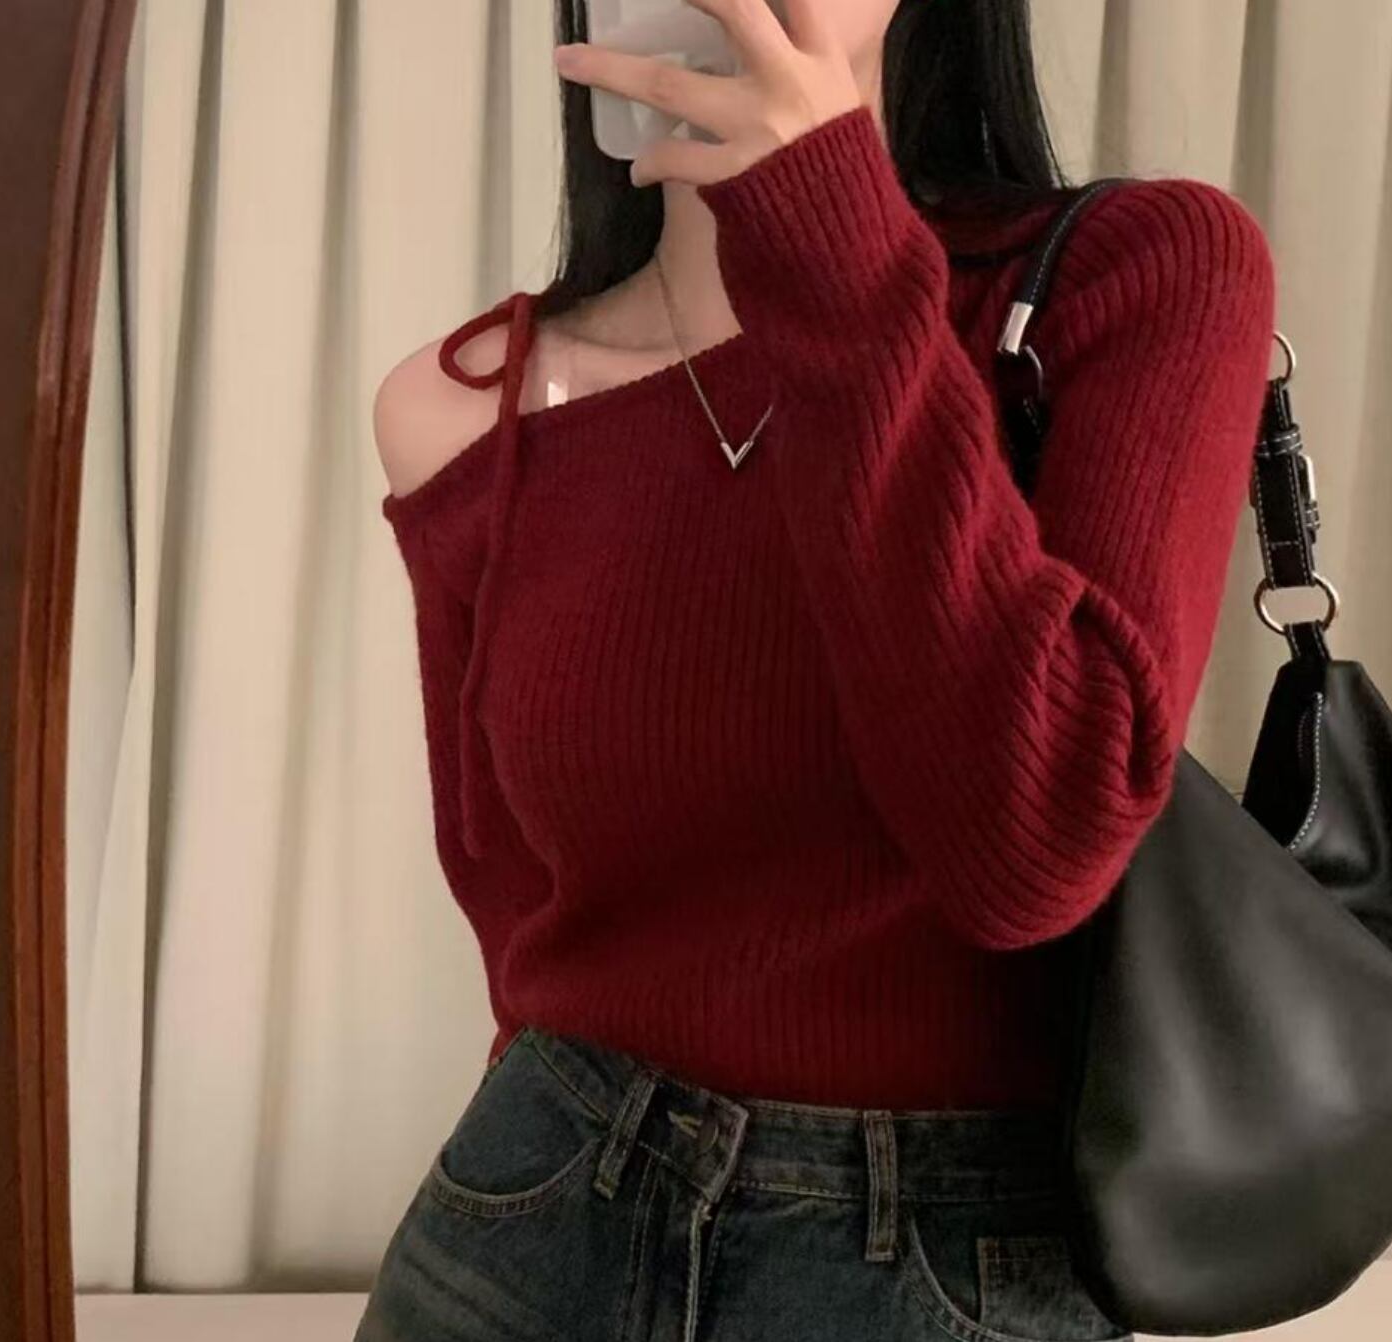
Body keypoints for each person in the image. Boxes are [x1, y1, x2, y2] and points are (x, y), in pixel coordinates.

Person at [358, 1, 1276, 1338]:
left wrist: (829, 228)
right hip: (531, 1218)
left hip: (941, 1254)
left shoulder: (1138, 272)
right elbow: (520, 917)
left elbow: (1034, 846)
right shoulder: (462, 409)